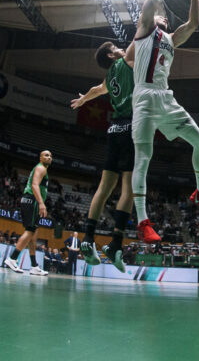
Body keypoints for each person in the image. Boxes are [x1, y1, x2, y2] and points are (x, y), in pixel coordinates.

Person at [130, 0, 199, 241]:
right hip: (143, 97)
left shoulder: (170, 38)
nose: (164, 17)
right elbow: (152, 0)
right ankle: (143, 221)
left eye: (166, 17)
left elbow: (193, 22)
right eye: (161, 16)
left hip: (165, 98)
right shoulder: (144, 31)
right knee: (143, 157)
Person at [70, 42, 136, 269]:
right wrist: (153, 18)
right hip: (130, 126)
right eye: (116, 46)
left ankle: (88, 238)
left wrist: (83, 100)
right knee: (129, 187)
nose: (121, 47)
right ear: (111, 54)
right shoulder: (126, 61)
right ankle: (116, 242)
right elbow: (140, 33)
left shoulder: (110, 76)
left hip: (114, 129)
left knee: (104, 187)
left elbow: (96, 91)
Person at [3, 151, 52, 276]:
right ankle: (12, 259)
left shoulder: (40, 168)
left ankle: (34, 266)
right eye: (46, 155)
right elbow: (35, 185)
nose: (49, 157)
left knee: (33, 234)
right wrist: (41, 203)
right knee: (30, 231)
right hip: (32, 200)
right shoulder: (41, 168)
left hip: (29, 200)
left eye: (50, 156)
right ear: (40, 157)